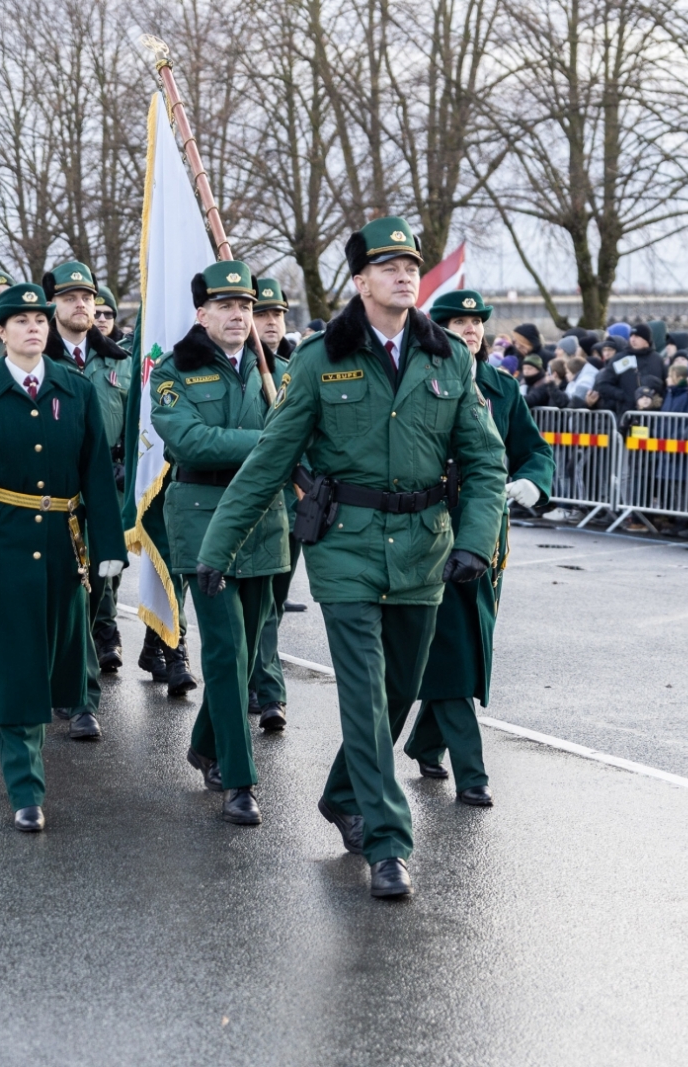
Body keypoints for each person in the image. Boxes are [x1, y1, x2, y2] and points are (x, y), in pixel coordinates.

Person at [196, 216, 508, 899]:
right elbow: (270, 459)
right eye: (389, 264)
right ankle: (387, 839)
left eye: (412, 264)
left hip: (425, 548)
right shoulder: (320, 358)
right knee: (364, 692)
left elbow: (485, 461)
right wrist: (215, 548)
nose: (404, 273)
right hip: (346, 546)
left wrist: (476, 542)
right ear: (361, 278)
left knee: (398, 691)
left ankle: (342, 792)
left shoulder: (448, 358)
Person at [0, 282, 124, 830]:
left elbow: (97, 476)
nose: (34, 327)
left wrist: (109, 544)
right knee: (12, 666)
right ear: (1, 331)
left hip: (63, 542)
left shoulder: (75, 391)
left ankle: (52, 732)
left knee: (59, 661)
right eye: (21, 320)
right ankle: (25, 788)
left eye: (40, 319)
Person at [148, 261, 289, 825]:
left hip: (264, 519)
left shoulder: (276, 370)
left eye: (246, 307)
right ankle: (238, 777)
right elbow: (191, 440)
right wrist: (272, 441)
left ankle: (205, 744)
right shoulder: (172, 371)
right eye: (226, 306)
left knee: (251, 650)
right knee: (227, 649)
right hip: (203, 518)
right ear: (202, 313)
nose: (238, 315)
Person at [405, 288, 552, 805]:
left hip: (489, 534)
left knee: (469, 639)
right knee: (450, 644)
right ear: (434, 328)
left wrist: (534, 481)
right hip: (436, 527)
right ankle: (472, 772)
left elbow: (533, 450)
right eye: (457, 323)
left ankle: (426, 740)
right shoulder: (420, 379)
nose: (470, 331)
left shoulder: (501, 386)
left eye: (477, 324)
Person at [42, 260, 133, 731]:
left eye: (88, 296)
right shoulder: (36, 358)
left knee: (96, 590)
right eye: (70, 296)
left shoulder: (119, 361)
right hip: (50, 495)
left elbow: (140, 430)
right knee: (62, 594)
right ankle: (79, 698)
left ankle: (77, 689)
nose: (82, 304)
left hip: (103, 493)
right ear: (52, 304)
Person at [246, 275, 303, 731]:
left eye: (277, 314)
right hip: (251, 505)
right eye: (262, 313)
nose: (271, 321)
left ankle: (255, 678)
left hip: (294, 503)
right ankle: (269, 692)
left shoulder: (294, 369)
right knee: (260, 604)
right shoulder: (244, 371)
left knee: (275, 604)